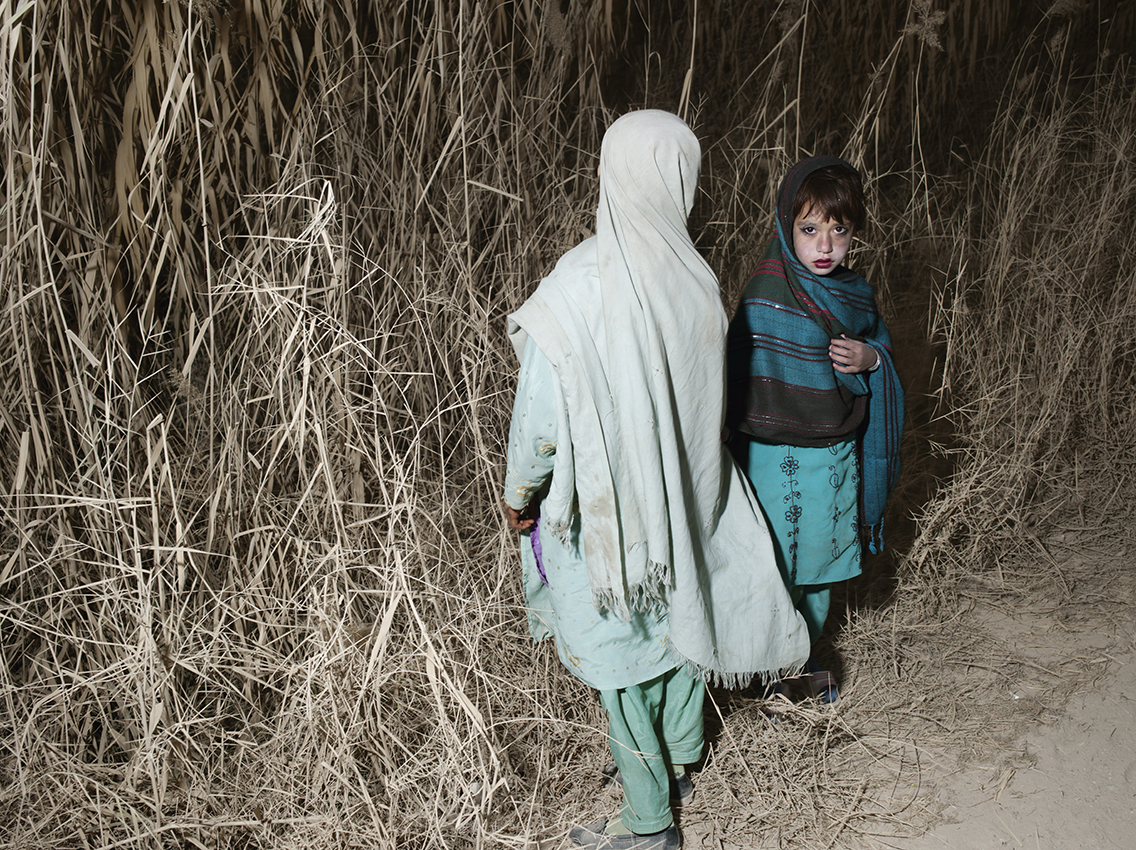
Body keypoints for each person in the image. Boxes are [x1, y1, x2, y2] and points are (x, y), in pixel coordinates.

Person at [502, 111, 810, 850]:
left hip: (608, 520)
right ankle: (679, 760)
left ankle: (647, 823)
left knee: (618, 661)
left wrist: (520, 495)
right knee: (674, 631)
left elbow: (539, 420)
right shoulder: (695, 278)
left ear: (609, 176)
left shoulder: (575, 287)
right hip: (687, 498)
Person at [725, 156, 904, 704]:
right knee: (773, 567)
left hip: (833, 457)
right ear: (786, 224)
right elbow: (734, 379)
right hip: (770, 460)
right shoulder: (765, 293)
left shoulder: (854, 293)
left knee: (822, 567)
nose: (825, 246)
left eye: (839, 230)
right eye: (809, 229)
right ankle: (764, 669)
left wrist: (873, 359)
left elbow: (881, 349)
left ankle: (799, 662)